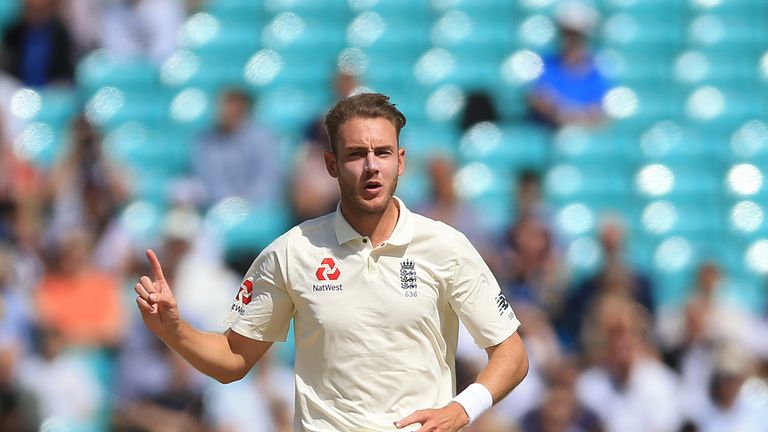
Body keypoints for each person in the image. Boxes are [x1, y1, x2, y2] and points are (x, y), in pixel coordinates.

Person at [134, 93, 529, 431]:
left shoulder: (446, 246)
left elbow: (511, 352)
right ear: (331, 165)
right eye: (356, 154)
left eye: (383, 153)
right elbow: (234, 359)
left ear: (401, 161)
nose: (372, 165)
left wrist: (463, 408)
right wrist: (174, 330)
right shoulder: (292, 251)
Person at [526, 1, 609, 128]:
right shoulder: (544, 66)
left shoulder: (600, 72)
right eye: (566, 33)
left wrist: (571, 117)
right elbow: (536, 99)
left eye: (577, 34)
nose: (571, 39)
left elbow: (603, 114)